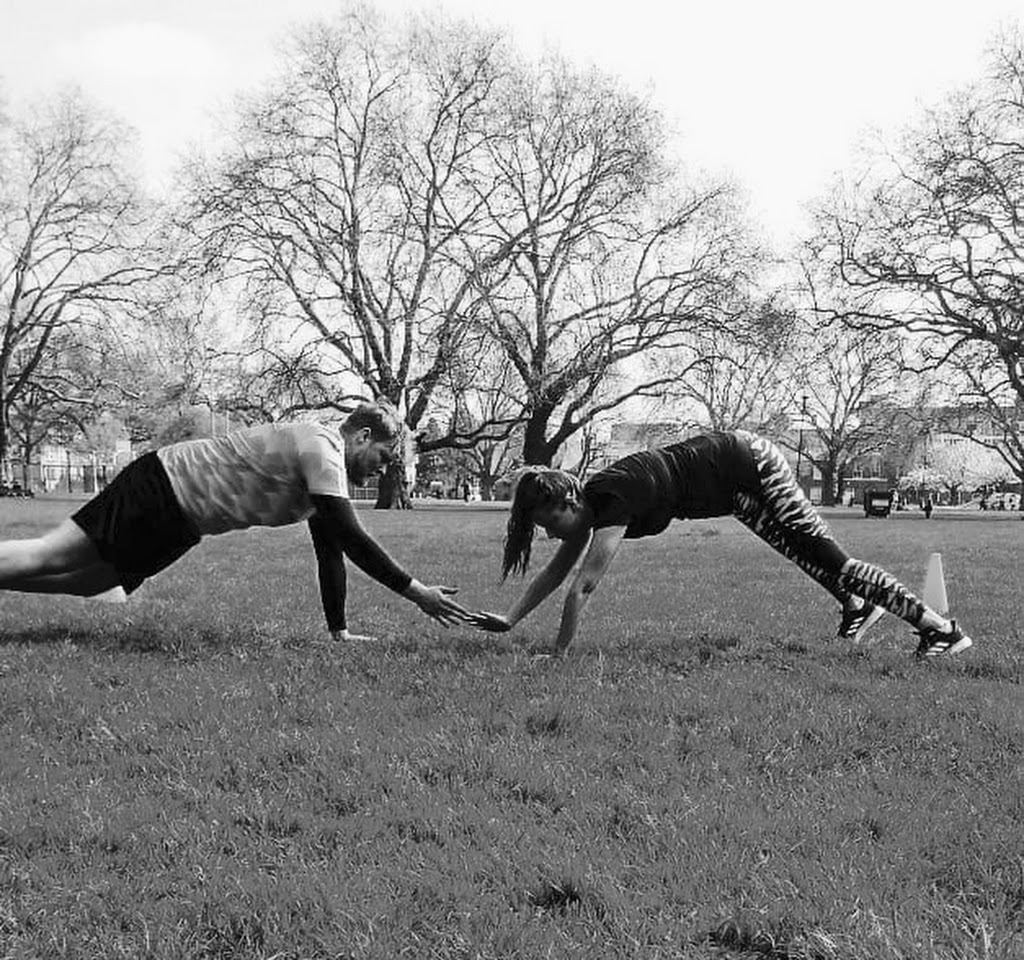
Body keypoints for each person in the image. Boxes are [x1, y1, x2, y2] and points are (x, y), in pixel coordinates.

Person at [475, 430, 973, 659]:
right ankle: (857, 607)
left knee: (830, 558)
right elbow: (557, 571)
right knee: (796, 550)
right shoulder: (592, 506)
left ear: (567, 501)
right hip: (732, 492)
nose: (550, 535)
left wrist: (559, 654)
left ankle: (940, 630)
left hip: (750, 465)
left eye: (547, 523)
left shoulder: (612, 499)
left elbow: (581, 587)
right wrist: (510, 619)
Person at [0, 402, 474, 639]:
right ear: (363, 436)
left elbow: (331, 549)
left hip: (183, 521)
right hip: (162, 486)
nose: (382, 470)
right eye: (384, 457)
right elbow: (352, 536)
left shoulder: (325, 475)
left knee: (99, 582)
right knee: (54, 555)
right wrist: (418, 593)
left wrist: (339, 631)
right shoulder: (322, 447)